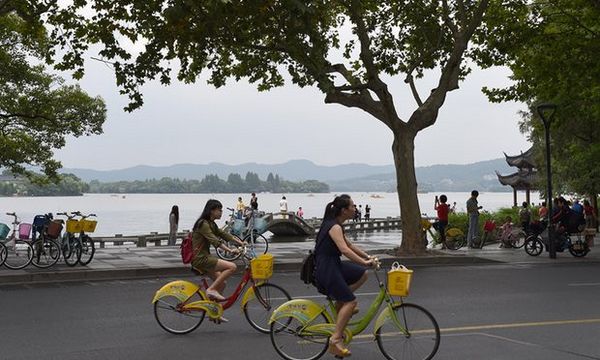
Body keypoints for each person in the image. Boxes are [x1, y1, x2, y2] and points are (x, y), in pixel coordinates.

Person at [314, 194, 375, 358]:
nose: (355, 209)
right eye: (353, 206)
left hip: (333, 264)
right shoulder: (334, 227)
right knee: (351, 301)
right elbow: (345, 250)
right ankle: (335, 339)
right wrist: (364, 261)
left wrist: (368, 257)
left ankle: (341, 300)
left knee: (362, 274)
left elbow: (350, 245)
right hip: (327, 268)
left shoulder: (336, 225)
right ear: (344, 210)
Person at [191, 199, 245, 319]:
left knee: (222, 284)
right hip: (201, 259)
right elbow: (215, 240)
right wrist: (230, 250)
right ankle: (210, 290)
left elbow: (223, 234)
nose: (221, 212)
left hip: (205, 257)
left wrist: (240, 242)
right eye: (219, 210)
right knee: (232, 267)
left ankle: (213, 312)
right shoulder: (203, 224)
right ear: (211, 211)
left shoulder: (211, 224)